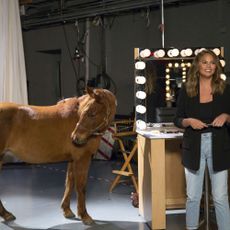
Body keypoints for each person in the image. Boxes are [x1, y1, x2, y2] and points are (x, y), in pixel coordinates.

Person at [174, 49, 230, 230]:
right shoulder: (187, 89)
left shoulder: (224, 88)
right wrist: (189, 121)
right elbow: (177, 119)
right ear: (197, 65)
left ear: (216, 66)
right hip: (194, 146)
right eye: (204, 62)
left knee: (220, 197)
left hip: (219, 145)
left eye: (212, 62)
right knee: (193, 197)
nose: (208, 66)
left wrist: (226, 116)